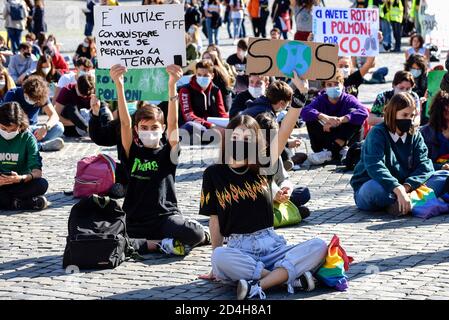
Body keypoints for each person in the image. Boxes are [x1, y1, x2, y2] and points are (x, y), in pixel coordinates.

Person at [198, 72, 327, 300]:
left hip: (272, 245)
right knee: (220, 257)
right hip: (239, 248)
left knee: (319, 245)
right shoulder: (213, 174)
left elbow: (285, 128)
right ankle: (288, 278)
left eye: (247, 138)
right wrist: (214, 266)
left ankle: (263, 282)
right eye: (236, 137)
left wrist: (300, 96)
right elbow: (214, 219)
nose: (240, 142)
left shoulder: (264, 165)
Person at [109, 63, 209, 256]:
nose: (149, 132)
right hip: (134, 220)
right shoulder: (131, 151)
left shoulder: (168, 152)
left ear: (162, 129)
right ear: (137, 130)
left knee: (194, 233)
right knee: (112, 236)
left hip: (165, 218)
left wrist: (172, 86)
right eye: (144, 128)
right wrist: (119, 85)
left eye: (154, 127)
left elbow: (173, 122)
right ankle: (159, 244)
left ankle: (161, 242)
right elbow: (124, 122)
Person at [351, 92, 449, 216]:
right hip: (378, 185)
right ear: (393, 113)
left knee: (444, 176)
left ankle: (402, 203)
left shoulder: (415, 135)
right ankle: (409, 201)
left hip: (406, 186)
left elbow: (424, 164)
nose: (409, 119)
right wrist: (396, 187)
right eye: (404, 115)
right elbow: (375, 165)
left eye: (412, 115)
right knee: (374, 188)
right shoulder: (377, 133)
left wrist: (406, 187)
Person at [300, 70, 369, 165]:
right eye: (329, 84)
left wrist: (341, 120)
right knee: (311, 117)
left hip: (346, 138)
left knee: (354, 114)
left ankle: (336, 151)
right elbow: (304, 112)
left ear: (342, 84)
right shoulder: (320, 99)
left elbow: (364, 112)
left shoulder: (348, 99)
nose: (333, 87)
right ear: (324, 87)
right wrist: (324, 117)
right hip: (326, 139)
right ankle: (332, 151)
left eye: (336, 84)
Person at [255, 112, 311, 218]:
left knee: (303, 193)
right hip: (259, 195)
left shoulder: (274, 150)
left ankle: (281, 210)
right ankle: (287, 211)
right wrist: (274, 193)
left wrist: (286, 189)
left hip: (276, 193)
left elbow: (283, 178)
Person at [0, 101, 49, 211]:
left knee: (41, 184)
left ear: (20, 125)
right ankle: (20, 203)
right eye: (3, 129)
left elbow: (37, 172)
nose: (8, 132)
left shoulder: (27, 138)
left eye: (12, 130)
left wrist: (20, 179)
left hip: (20, 183)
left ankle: (12, 202)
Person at [3, 75, 65, 152]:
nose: (29, 100)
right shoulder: (12, 94)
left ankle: (25, 145)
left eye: (33, 100)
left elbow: (54, 116)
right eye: (28, 97)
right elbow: (7, 119)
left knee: (59, 127)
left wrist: (45, 128)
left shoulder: (41, 97)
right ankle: (40, 146)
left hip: (33, 130)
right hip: (16, 129)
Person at [179, 60, 228, 139]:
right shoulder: (185, 90)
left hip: (212, 126)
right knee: (191, 127)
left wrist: (230, 122)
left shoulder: (216, 90)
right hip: (192, 126)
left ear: (212, 76)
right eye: (199, 75)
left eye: (205, 75)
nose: (202, 78)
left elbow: (221, 113)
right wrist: (210, 125)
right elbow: (188, 116)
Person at [421, 91, 449, 170]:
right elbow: (421, 163)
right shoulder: (424, 133)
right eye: (445, 108)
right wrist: (441, 167)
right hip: (435, 175)